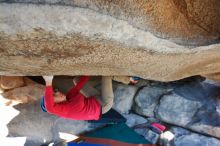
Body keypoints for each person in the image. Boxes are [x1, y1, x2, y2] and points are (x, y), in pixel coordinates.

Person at [41, 76, 114, 120]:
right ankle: (124, 79)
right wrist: (48, 81)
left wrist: (87, 68)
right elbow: (50, 108)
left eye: (55, 92)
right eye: (54, 95)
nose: (57, 92)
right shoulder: (66, 110)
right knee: (106, 75)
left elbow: (81, 83)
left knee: (77, 80)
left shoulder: (69, 97)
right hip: (104, 104)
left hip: (93, 98)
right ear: (55, 104)